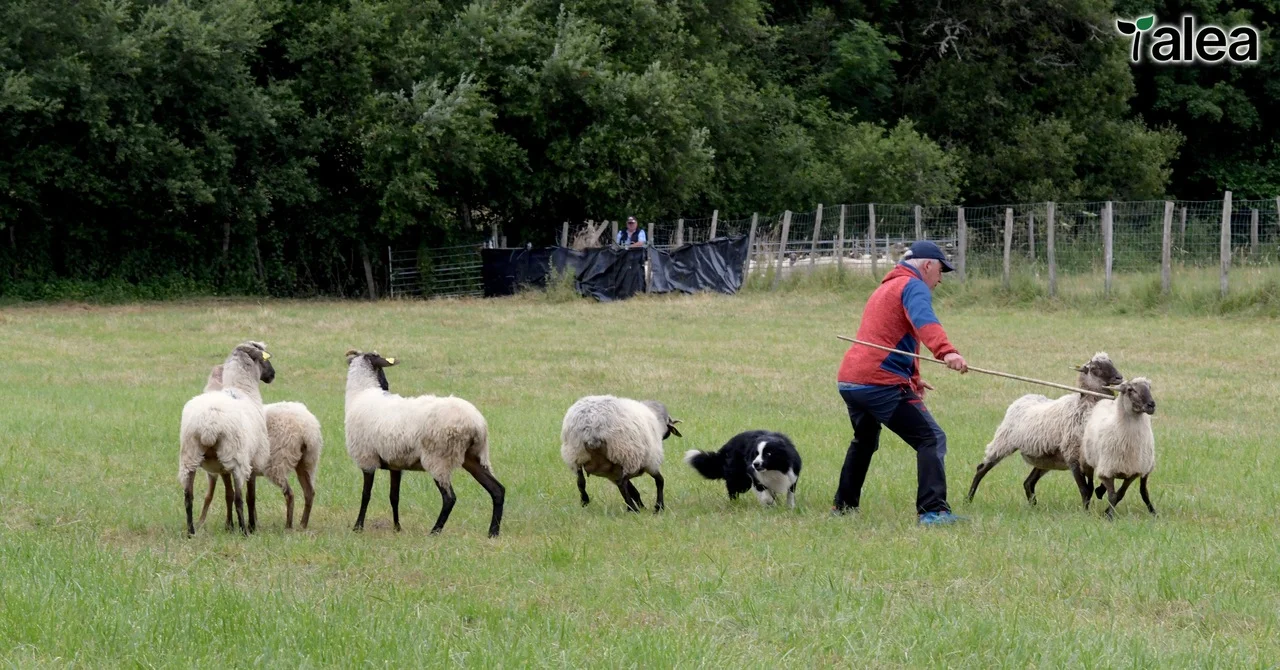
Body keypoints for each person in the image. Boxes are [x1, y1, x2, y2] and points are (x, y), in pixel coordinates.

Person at [832, 240, 969, 525]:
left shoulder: (886, 287)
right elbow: (924, 321)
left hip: (851, 380)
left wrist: (913, 378)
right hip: (878, 382)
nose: (940, 280)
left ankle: (843, 507)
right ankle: (933, 512)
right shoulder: (913, 286)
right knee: (930, 438)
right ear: (927, 265)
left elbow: (897, 339)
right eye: (941, 271)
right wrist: (947, 351)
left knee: (864, 441)